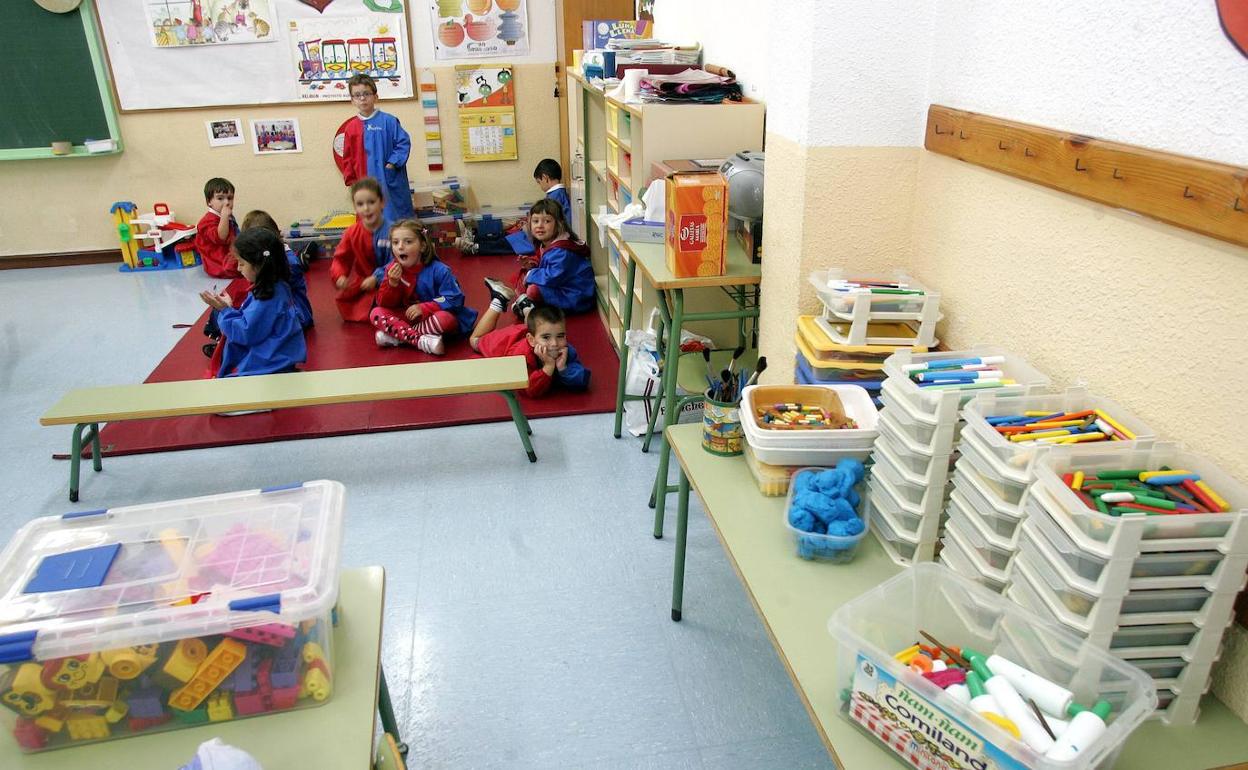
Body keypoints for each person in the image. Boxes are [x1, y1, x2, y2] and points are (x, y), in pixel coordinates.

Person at [199, 228, 307, 378]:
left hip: (269, 364)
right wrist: (229, 309)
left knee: (221, 383)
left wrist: (225, 311)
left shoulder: (267, 297)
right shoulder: (276, 286)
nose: (238, 268)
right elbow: (253, 322)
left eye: (242, 264)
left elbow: (246, 333)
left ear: (259, 265)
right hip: (275, 358)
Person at [370, 220, 477, 355]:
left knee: (445, 319)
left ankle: (399, 336)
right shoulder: (392, 269)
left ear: (422, 246)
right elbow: (384, 304)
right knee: (376, 313)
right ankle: (419, 340)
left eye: (408, 242)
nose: (400, 247)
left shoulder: (440, 270)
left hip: (434, 316)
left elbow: (454, 299)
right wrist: (392, 284)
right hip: (409, 317)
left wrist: (424, 308)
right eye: (395, 242)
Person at [484, 198, 594, 319]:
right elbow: (547, 264)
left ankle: (528, 306)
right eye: (535, 221)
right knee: (525, 277)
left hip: (575, 296)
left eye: (547, 221)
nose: (540, 226)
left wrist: (531, 273)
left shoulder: (562, 250)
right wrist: (532, 264)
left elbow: (553, 276)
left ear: (559, 224)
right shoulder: (549, 243)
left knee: (533, 289)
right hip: (564, 287)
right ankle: (526, 304)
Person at [332, 74, 414, 221]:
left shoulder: (389, 121)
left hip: (389, 183)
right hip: (364, 183)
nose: (362, 98)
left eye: (366, 94)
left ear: (376, 96)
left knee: (397, 223)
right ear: (352, 100)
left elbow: (403, 143)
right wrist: (352, 183)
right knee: (371, 221)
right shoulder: (351, 128)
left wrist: (392, 163)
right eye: (357, 95)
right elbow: (347, 158)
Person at [469, 302, 589, 398]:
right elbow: (530, 390)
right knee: (475, 341)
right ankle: (498, 302)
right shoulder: (521, 356)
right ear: (531, 340)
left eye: (560, 336)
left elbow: (582, 380)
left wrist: (563, 369)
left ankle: (527, 307)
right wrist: (548, 366)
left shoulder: (564, 350)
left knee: (536, 324)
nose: (554, 343)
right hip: (503, 342)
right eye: (546, 337)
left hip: (531, 332)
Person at [330, 178, 392, 322]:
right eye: (360, 204)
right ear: (355, 207)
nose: (366, 208)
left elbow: (397, 261)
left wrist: (377, 277)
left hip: (391, 281)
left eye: (371, 202)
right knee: (347, 302)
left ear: (382, 202)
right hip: (364, 285)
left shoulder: (393, 231)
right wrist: (339, 276)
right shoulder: (351, 233)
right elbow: (340, 259)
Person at [241, 210, 313, 329]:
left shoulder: (287, 262)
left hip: (297, 315)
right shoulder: (268, 257)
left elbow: (270, 293)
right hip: (280, 309)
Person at [195, 177, 240, 278]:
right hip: (220, 264)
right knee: (250, 266)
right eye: (220, 198)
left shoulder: (225, 215)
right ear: (209, 202)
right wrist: (224, 217)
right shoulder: (206, 221)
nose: (227, 202)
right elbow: (220, 237)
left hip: (230, 254)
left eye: (230, 198)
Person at [533, 158, 572, 225]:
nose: (540, 186)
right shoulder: (560, 192)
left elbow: (548, 222)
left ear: (545, 178)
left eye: (539, 182)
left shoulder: (554, 196)